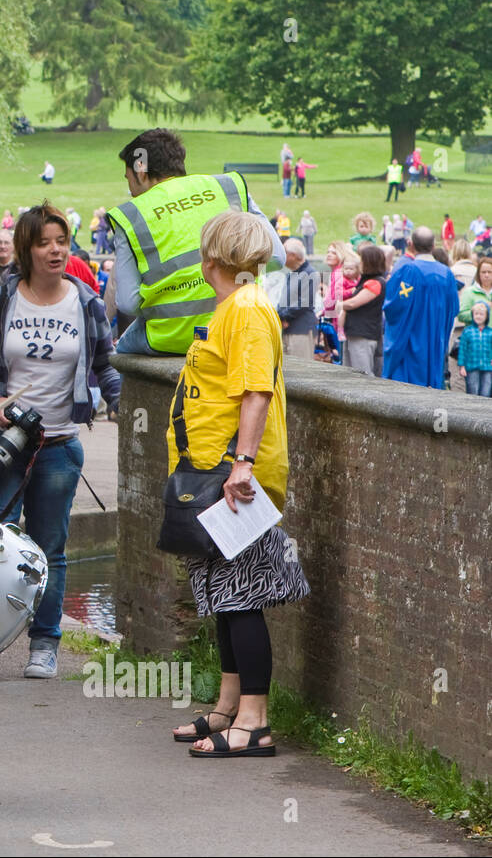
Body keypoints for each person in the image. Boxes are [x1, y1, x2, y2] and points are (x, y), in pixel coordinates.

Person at [165, 210, 309, 755]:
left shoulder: (247, 309)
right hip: (215, 472)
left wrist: (242, 464)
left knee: (242, 597)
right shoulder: (235, 305)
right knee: (226, 596)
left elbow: (255, 393)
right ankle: (229, 709)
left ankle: (256, 722)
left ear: (215, 257)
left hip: (234, 477)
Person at [0, 202, 121, 680]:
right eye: (44, 243)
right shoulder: (0, 297)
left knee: (50, 548)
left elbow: (107, 366)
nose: (55, 251)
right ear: (26, 249)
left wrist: (126, 405)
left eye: (62, 241)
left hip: (59, 446)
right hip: (5, 442)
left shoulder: (86, 301)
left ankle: (44, 643)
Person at [109, 129, 284, 356]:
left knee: (119, 353)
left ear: (141, 172)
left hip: (171, 338)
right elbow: (277, 258)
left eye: (128, 179)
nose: (131, 191)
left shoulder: (131, 214)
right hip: (240, 325)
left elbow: (127, 304)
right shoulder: (228, 187)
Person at [382, 227, 460, 389]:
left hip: (409, 344)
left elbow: (393, 307)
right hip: (434, 342)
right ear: (433, 246)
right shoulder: (446, 274)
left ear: (411, 244)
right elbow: (453, 309)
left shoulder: (407, 271)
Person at [337, 244, 386, 375]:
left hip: (363, 335)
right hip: (356, 332)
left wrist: (340, 305)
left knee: (362, 373)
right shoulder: (368, 281)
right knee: (351, 372)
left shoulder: (375, 283)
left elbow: (354, 303)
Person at [272, 238, 319, 360]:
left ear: (293, 255)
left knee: (301, 370)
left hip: (301, 331)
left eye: (284, 253)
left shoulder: (310, 273)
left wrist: (283, 316)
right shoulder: (291, 274)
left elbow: (304, 303)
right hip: (288, 329)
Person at [457, 300, 492, 397]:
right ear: (472, 315)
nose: (478, 316)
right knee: (473, 391)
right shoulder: (467, 331)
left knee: (486, 392)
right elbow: (462, 350)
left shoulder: (490, 332)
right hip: (471, 367)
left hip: (488, 368)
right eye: (476, 314)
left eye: (481, 314)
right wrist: (462, 366)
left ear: (486, 316)